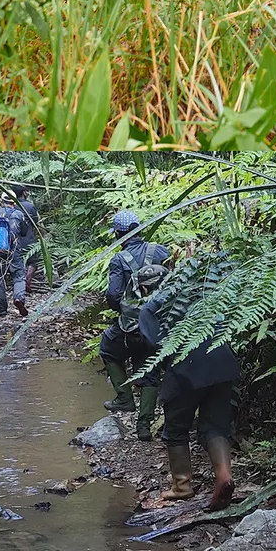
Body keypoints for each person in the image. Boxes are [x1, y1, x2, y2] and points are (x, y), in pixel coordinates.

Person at [139, 287, 238, 511]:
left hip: (186, 365)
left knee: (175, 427)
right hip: (222, 360)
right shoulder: (198, 292)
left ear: (145, 288)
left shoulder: (150, 308)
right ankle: (224, 476)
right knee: (215, 427)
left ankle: (182, 486)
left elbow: (155, 345)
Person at [99, 209, 170, 440]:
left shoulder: (119, 259)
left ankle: (124, 398)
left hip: (129, 326)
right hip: (159, 323)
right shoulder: (161, 251)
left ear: (119, 234)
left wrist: (125, 309)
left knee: (108, 349)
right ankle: (144, 428)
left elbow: (113, 295)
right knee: (151, 371)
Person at [0, 195, 29, 318]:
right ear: (13, 203)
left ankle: (1, 311)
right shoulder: (19, 214)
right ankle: (19, 298)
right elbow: (24, 232)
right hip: (14, 250)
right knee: (19, 276)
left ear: (1, 201)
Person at [13, 185, 42, 286]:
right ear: (24, 193)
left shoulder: (12, 205)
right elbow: (35, 221)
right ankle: (27, 279)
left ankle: (19, 281)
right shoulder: (29, 206)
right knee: (33, 261)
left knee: (18, 260)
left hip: (14, 239)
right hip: (28, 238)